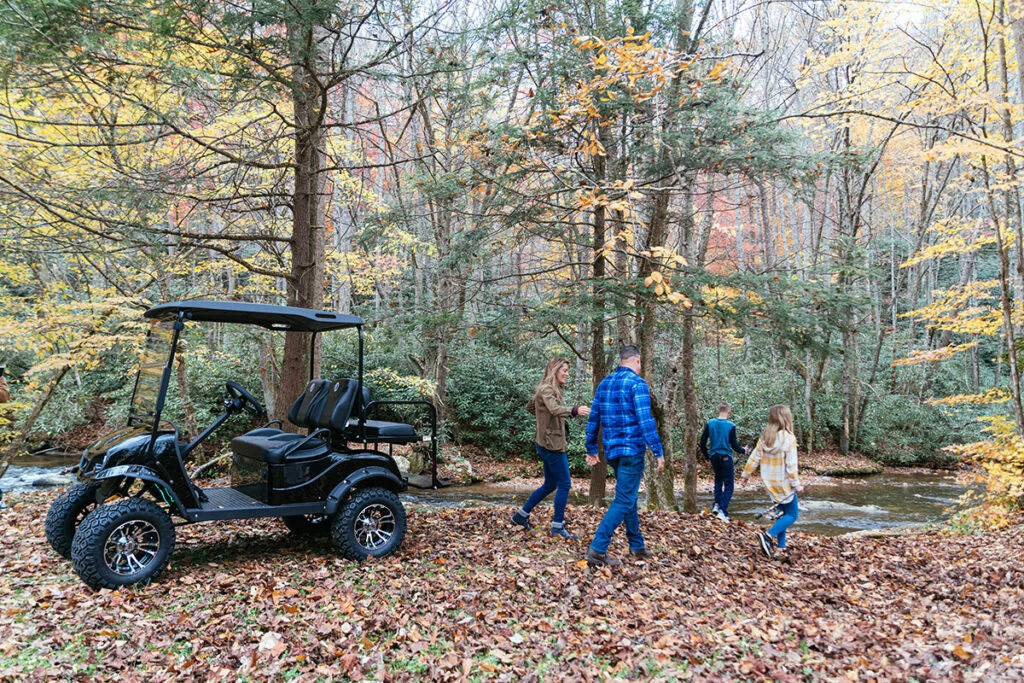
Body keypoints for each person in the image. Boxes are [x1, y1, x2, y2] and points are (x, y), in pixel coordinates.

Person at [583, 345, 664, 567]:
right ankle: (598, 549)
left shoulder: (605, 383)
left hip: (613, 452)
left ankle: (637, 545)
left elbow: (594, 419)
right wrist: (658, 450)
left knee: (629, 497)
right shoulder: (637, 384)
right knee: (624, 499)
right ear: (637, 360)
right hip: (631, 451)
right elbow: (645, 420)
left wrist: (591, 447)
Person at [511, 357, 590, 539]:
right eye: (564, 371)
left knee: (550, 484)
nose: (567, 374)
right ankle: (557, 527)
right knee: (564, 485)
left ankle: (520, 516)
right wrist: (575, 410)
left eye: (568, 371)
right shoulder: (547, 389)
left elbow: (532, 406)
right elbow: (554, 409)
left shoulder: (549, 389)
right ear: (555, 370)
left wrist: (543, 421)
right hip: (551, 445)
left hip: (546, 442)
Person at [740, 404, 804, 558]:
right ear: (786, 418)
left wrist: (746, 475)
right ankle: (768, 535)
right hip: (784, 483)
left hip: (770, 482)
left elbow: (754, 457)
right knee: (793, 515)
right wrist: (797, 483)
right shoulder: (789, 438)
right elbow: (791, 465)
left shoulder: (765, 438)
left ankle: (781, 547)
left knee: (783, 513)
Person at [700, 401, 745, 522]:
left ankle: (717, 504)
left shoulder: (710, 423)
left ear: (718, 410)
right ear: (729, 411)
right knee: (729, 485)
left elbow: (702, 443)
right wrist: (743, 451)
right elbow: (735, 445)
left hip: (714, 456)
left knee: (718, 481)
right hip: (726, 457)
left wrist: (707, 457)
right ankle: (723, 511)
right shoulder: (731, 426)